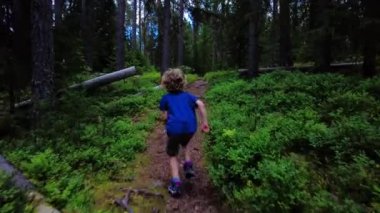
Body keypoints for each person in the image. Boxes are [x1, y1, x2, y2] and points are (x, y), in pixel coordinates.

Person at [159, 68, 209, 197]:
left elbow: (165, 116)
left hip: (174, 129)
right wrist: (205, 123)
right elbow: (201, 105)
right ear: (183, 82)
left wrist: (166, 123)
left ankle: (176, 183)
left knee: (172, 154)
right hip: (190, 128)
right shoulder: (189, 96)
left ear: (165, 84)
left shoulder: (165, 98)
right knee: (186, 144)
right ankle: (188, 166)